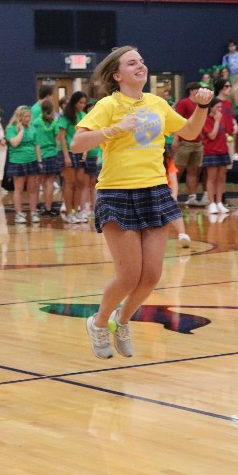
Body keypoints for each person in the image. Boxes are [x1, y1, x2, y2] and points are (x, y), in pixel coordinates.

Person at [70, 46, 212, 360]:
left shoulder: (158, 103)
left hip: (155, 191)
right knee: (129, 275)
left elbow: (189, 131)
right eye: (132, 62)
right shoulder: (108, 105)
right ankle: (98, 322)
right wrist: (112, 130)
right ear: (118, 75)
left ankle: (122, 321)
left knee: (151, 276)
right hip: (117, 193)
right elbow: (77, 142)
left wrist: (202, 107)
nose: (140, 66)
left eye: (142, 61)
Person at [5, 105, 41, 224]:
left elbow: (36, 145)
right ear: (19, 117)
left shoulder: (32, 128)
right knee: (19, 189)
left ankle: (34, 211)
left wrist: (39, 160)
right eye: (25, 116)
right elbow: (14, 143)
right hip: (17, 160)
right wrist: (21, 130)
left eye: (29, 116)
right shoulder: (11, 128)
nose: (27, 118)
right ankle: (19, 214)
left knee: (33, 188)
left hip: (32, 160)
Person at [172, 82, 207, 206]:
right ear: (191, 91)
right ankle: (172, 196)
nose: (199, 91)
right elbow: (176, 120)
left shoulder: (201, 105)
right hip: (184, 142)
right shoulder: (183, 103)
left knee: (194, 171)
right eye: (197, 89)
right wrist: (176, 139)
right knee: (177, 170)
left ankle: (192, 196)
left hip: (198, 143)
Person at [58, 92, 88, 223]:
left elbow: (87, 135)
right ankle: (69, 212)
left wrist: (85, 151)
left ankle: (76, 211)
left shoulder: (84, 116)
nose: (82, 105)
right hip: (68, 151)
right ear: (74, 102)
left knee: (79, 183)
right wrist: (66, 156)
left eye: (84, 103)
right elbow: (62, 137)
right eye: (80, 102)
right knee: (69, 183)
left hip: (80, 151)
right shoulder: (66, 116)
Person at [201, 94, 232, 215]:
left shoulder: (222, 117)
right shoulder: (206, 119)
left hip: (223, 150)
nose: (220, 110)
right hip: (211, 151)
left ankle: (219, 202)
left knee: (221, 178)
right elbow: (212, 135)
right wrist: (217, 121)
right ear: (211, 107)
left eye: (221, 107)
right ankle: (211, 203)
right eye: (218, 107)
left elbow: (226, 131)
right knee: (212, 178)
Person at [33, 99, 61, 217]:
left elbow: (35, 140)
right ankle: (49, 207)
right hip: (52, 153)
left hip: (41, 154)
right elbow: (58, 139)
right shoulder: (55, 122)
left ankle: (42, 206)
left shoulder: (37, 122)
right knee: (50, 182)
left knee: (41, 182)